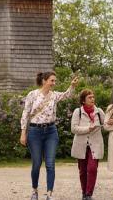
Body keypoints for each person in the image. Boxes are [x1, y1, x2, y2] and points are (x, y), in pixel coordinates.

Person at [20, 71, 79, 200]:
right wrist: (23, 133)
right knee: (36, 163)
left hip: (51, 132)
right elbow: (25, 114)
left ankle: (49, 194)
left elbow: (66, 95)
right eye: (52, 80)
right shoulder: (32, 95)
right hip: (35, 132)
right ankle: (34, 191)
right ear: (44, 81)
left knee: (50, 164)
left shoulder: (54, 96)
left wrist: (72, 86)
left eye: (54, 81)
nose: (54, 83)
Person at [71, 89, 105, 200]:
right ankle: (84, 193)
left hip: (95, 145)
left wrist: (110, 122)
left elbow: (106, 125)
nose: (92, 99)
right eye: (89, 97)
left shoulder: (99, 111)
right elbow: (74, 128)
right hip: (81, 145)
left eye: (93, 97)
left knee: (92, 169)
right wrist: (88, 129)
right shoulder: (78, 112)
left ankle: (89, 194)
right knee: (82, 171)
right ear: (83, 100)